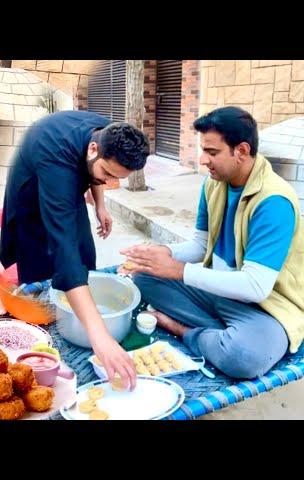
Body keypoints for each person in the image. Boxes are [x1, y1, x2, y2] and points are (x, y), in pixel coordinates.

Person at [122, 106, 304, 379]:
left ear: (241, 151)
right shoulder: (214, 184)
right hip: (218, 287)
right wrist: (162, 253)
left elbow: (256, 287)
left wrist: (179, 270)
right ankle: (221, 334)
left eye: (212, 152)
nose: (203, 160)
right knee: (144, 277)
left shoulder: (273, 202)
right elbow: (199, 245)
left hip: (265, 307)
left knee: (244, 357)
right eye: (203, 150)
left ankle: (183, 329)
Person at [0, 110, 150, 389]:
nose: (108, 181)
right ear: (93, 149)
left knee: (84, 252)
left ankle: (77, 302)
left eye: (116, 178)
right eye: (107, 174)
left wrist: (100, 205)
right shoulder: (57, 160)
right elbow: (64, 252)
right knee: (49, 254)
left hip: (74, 169)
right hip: (31, 185)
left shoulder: (110, 135)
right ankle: (37, 321)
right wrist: (102, 338)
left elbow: (100, 173)